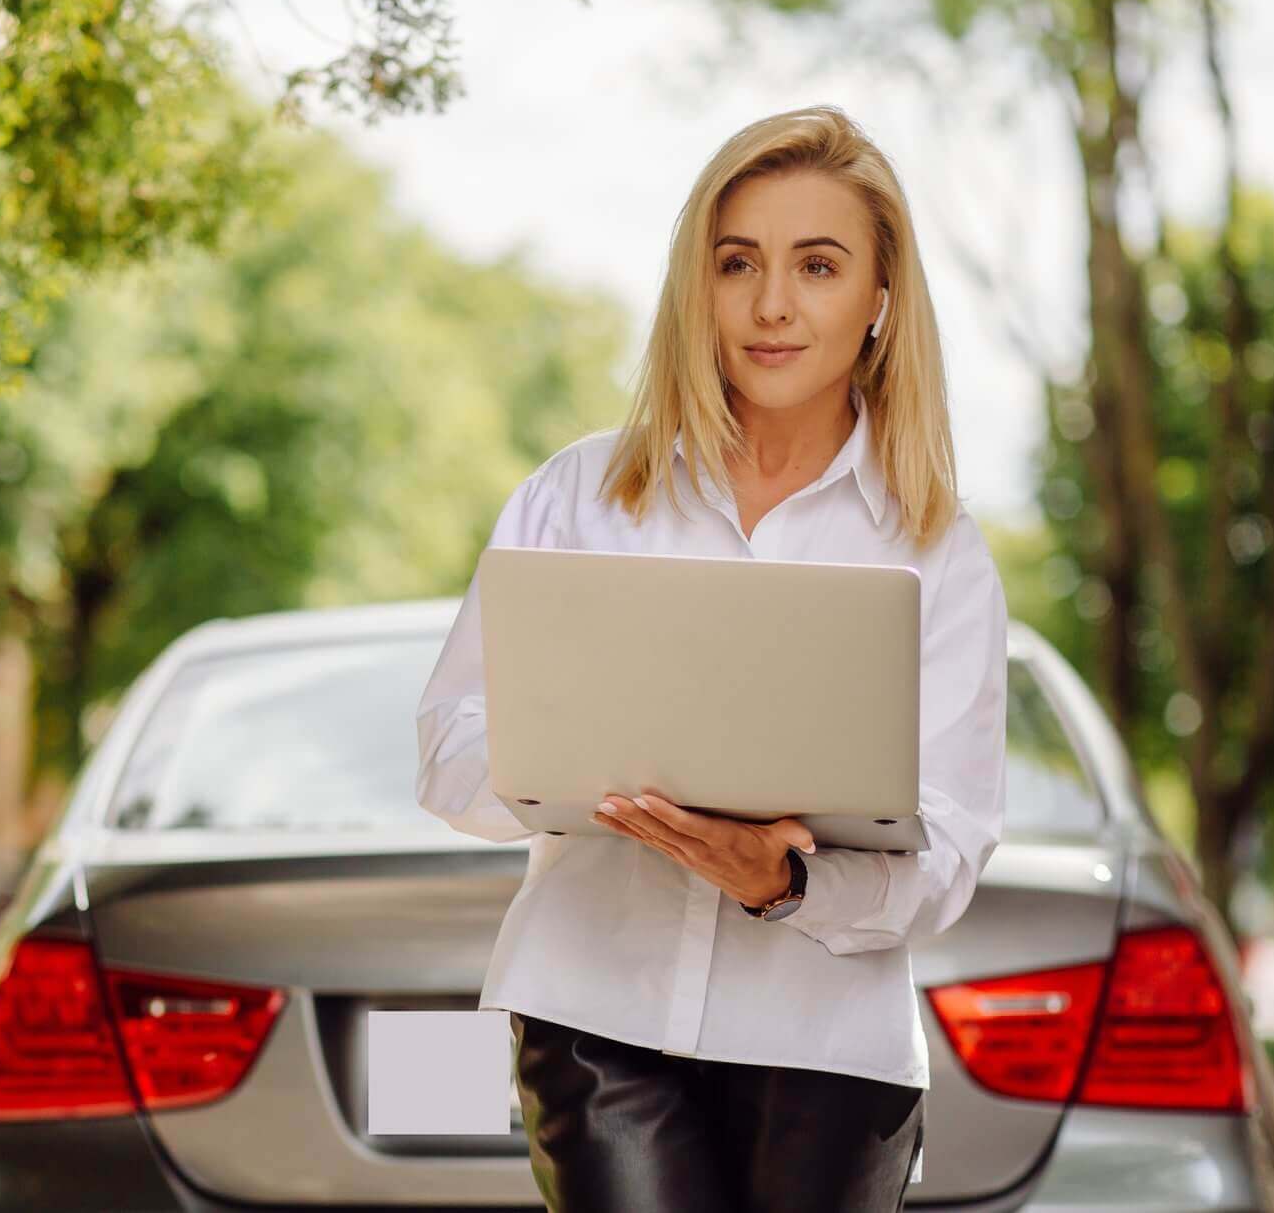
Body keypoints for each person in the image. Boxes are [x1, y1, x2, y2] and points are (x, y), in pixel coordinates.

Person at [414, 104, 1008, 1213]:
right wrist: (579, 757)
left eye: (816, 265)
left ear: (879, 298)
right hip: (595, 1016)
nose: (771, 304)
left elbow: (952, 846)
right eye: (736, 263)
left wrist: (782, 882)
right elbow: (446, 753)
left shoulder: (936, 548)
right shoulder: (579, 495)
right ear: (698, 286)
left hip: (829, 1045)